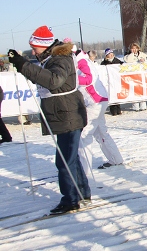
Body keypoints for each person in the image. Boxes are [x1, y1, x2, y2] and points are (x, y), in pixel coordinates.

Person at [8, 26, 91, 214]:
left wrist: (23, 65)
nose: (33, 51)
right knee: (70, 157)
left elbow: (54, 80)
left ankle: (71, 199)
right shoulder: (52, 58)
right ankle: (81, 192)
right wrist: (23, 66)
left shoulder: (60, 59)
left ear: (44, 46)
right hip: (63, 113)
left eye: (34, 47)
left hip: (67, 114)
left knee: (64, 161)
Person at [76, 50, 124, 170]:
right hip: (99, 100)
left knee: (84, 135)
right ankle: (116, 159)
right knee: (101, 132)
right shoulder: (85, 61)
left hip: (94, 102)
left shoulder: (81, 61)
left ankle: (83, 169)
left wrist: (72, 80)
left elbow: (88, 79)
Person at [8, 50, 32, 125]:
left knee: (24, 103)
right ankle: (22, 119)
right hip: (15, 88)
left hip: (23, 87)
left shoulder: (24, 62)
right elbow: (10, 73)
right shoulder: (12, 65)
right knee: (19, 104)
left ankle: (25, 117)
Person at [124, 43, 147, 112]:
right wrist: (132, 54)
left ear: (138, 48)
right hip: (133, 77)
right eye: (133, 48)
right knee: (134, 91)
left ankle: (143, 105)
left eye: (135, 48)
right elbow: (128, 61)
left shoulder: (142, 55)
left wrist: (144, 61)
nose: (134, 50)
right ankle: (135, 106)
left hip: (141, 76)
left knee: (142, 89)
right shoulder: (127, 56)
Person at [100, 48, 123, 116]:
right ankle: (113, 110)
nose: (111, 55)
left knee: (116, 94)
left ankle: (118, 109)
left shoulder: (117, 60)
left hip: (116, 80)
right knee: (110, 94)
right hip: (108, 81)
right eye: (109, 54)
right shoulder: (104, 63)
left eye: (111, 53)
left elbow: (122, 66)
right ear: (106, 55)